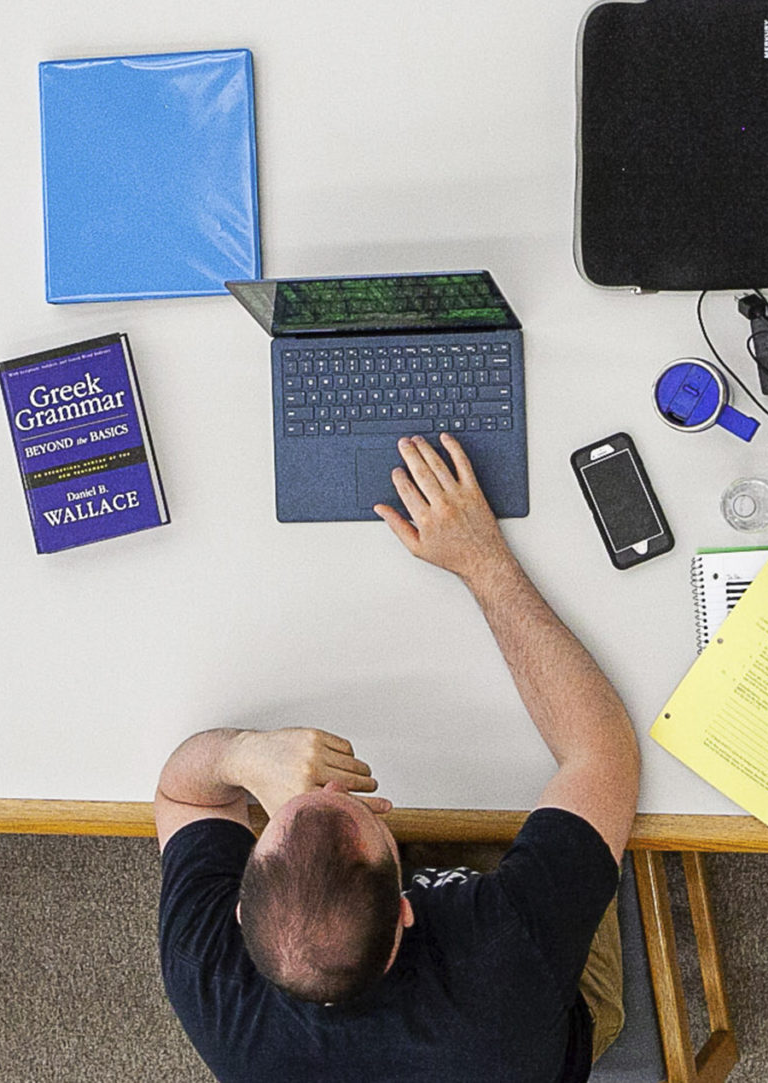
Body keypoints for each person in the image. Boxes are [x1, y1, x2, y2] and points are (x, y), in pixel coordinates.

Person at [153, 433, 642, 1083]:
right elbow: (600, 751)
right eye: (355, 810)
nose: (325, 789)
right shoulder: (507, 950)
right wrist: (481, 559)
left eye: (287, 815)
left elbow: (184, 792)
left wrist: (245, 755)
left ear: (241, 910)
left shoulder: (208, 975)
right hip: (529, 1021)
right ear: (409, 906)